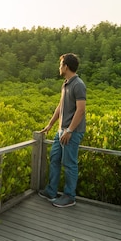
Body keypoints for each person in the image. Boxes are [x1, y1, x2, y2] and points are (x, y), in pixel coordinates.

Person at [38, 53, 86, 207]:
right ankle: (51, 191)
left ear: (66, 67)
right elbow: (60, 106)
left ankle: (69, 196)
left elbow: (80, 110)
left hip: (72, 131)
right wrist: (51, 124)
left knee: (70, 163)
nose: (59, 67)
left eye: (61, 65)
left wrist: (70, 130)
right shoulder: (66, 84)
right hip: (61, 130)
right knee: (55, 159)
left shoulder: (78, 84)